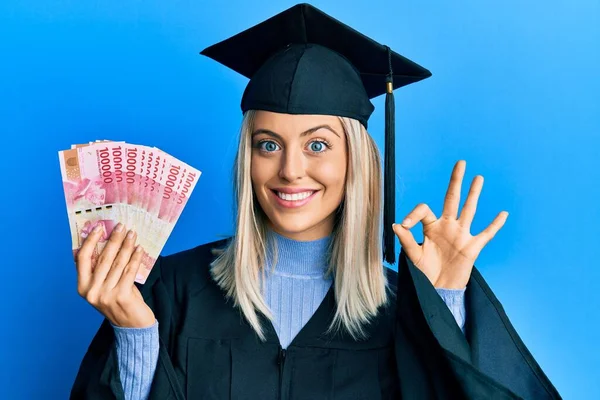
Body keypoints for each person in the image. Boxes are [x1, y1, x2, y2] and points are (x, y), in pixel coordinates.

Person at [70, 4, 561, 399]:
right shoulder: (167, 290)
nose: (290, 169)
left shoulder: (396, 312)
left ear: (358, 161)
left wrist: (444, 304)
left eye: (318, 144)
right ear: (247, 159)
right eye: (268, 144)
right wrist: (133, 332)